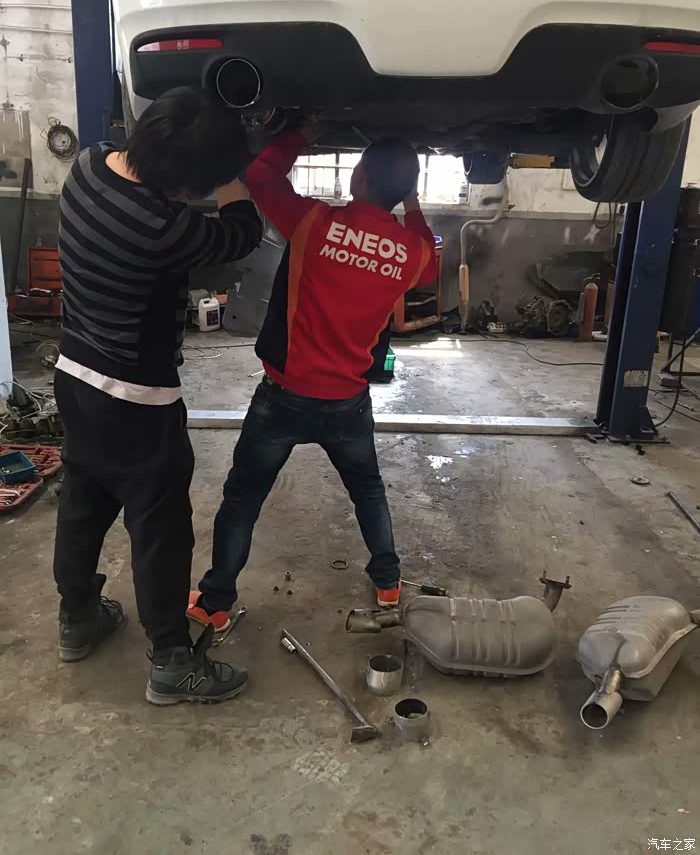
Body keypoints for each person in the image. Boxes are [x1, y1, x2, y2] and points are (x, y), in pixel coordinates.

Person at [53, 86, 262, 705]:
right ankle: (172, 661)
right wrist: (234, 174)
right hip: (136, 398)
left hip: (75, 374)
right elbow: (241, 234)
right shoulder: (164, 228)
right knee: (161, 527)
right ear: (185, 182)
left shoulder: (87, 166)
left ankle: (77, 618)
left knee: (84, 500)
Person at [188, 124, 438, 633]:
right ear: (404, 189)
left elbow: (261, 174)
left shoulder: (314, 222)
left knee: (243, 499)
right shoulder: (412, 255)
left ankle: (215, 603)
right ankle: (388, 583)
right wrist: (411, 203)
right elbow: (430, 258)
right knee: (368, 491)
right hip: (349, 402)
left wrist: (303, 132)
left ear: (358, 177)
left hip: (283, 398)